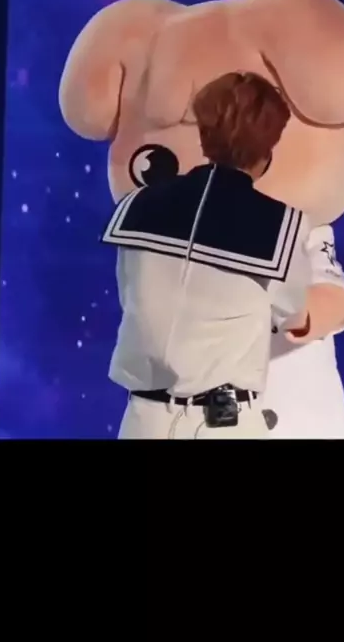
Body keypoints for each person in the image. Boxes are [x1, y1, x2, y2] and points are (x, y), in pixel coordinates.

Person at [101, 73, 312, 439]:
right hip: (225, 425)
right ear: (268, 150)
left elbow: (129, 294)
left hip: (145, 421)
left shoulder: (138, 204)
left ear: (203, 135)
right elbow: (293, 313)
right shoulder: (282, 226)